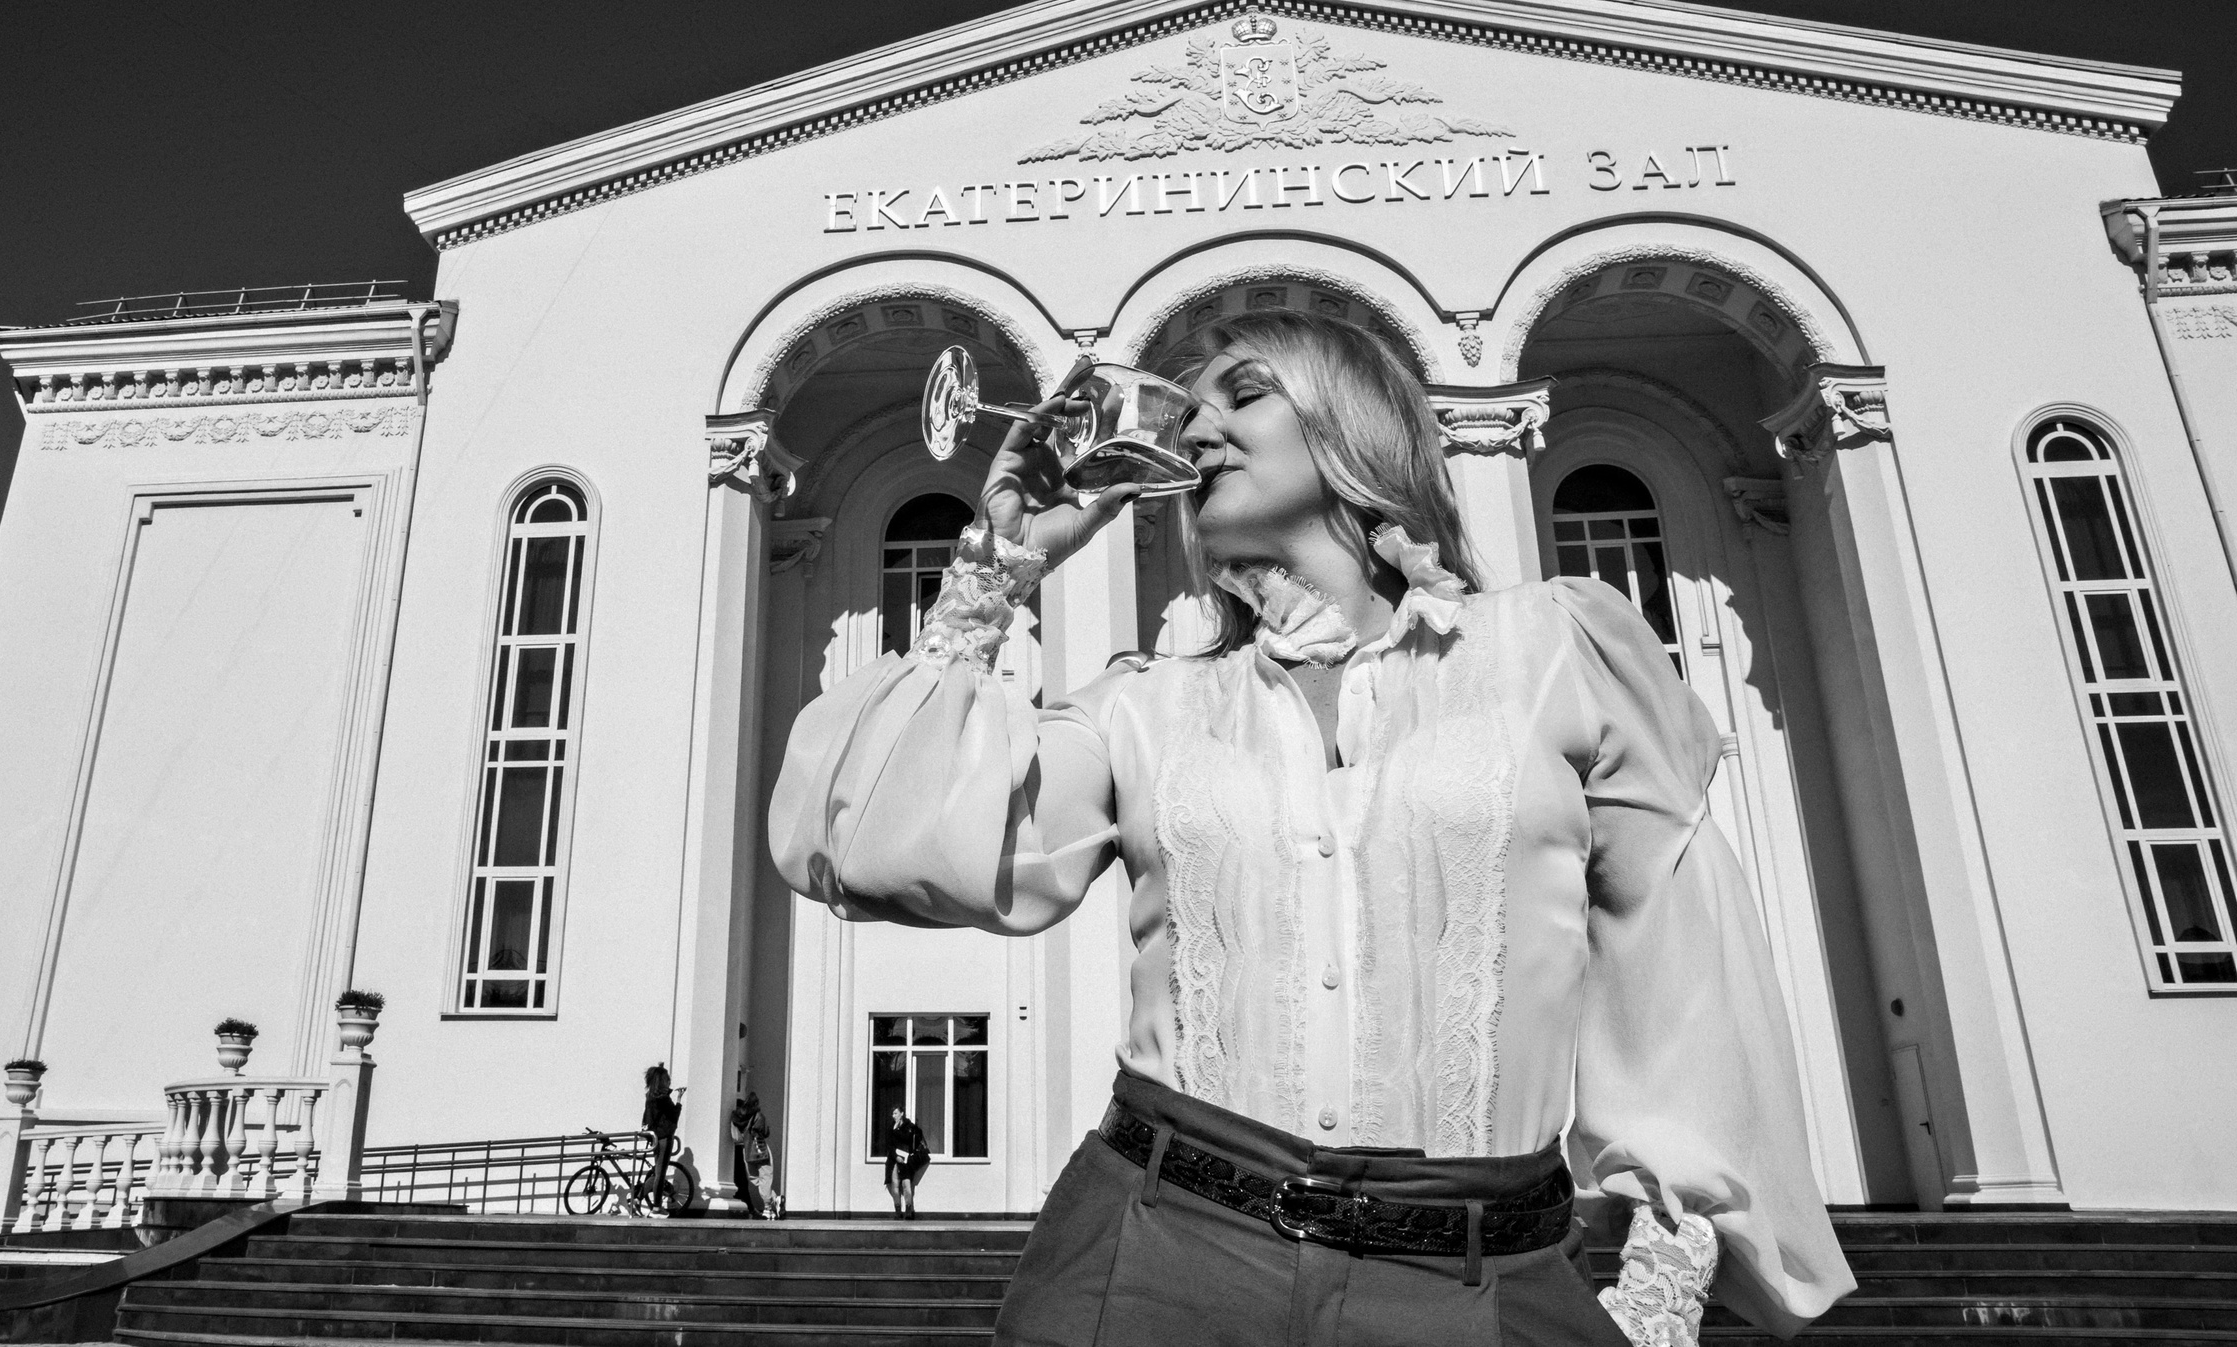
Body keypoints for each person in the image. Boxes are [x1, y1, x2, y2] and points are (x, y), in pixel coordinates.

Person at [770, 310, 1854, 1346]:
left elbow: (1673, 973)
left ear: (1354, 427)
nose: (1195, 427)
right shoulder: (1140, 708)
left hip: (1480, 1276)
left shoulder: (1554, 651)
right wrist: (994, 571)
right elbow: (874, 848)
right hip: (1154, 1255)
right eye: (1187, 409)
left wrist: (1658, 1279)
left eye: (1242, 393)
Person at [640, 1063, 682, 1215]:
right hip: (665, 1136)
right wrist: (679, 1099)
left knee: (657, 1171)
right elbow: (674, 1116)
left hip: (655, 1137)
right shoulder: (663, 1099)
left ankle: (638, 1197)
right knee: (660, 1173)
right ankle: (656, 1207)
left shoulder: (650, 1097)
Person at [732, 1087, 776, 1219]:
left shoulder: (737, 1117)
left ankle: (773, 1200)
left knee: (754, 1178)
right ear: (756, 1104)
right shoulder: (758, 1116)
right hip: (760, 1149)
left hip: (747, 1149)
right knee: (766, 1176)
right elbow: (765, 1132)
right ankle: (769, 1206)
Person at [883, 1103, 931, 1219]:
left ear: (901, 1114)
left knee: (906, 1184)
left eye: (895, 1113)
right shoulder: (891, 1127)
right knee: (894, 1185)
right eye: (892, 1114)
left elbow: (907, 1140)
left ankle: (909, 1210)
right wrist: (895, 1157)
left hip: (906, 1160)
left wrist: (897, 1130)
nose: (893, 1116)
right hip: (894, 1159)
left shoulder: (908, 1126)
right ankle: (898, 1211)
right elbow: (889, 1144)